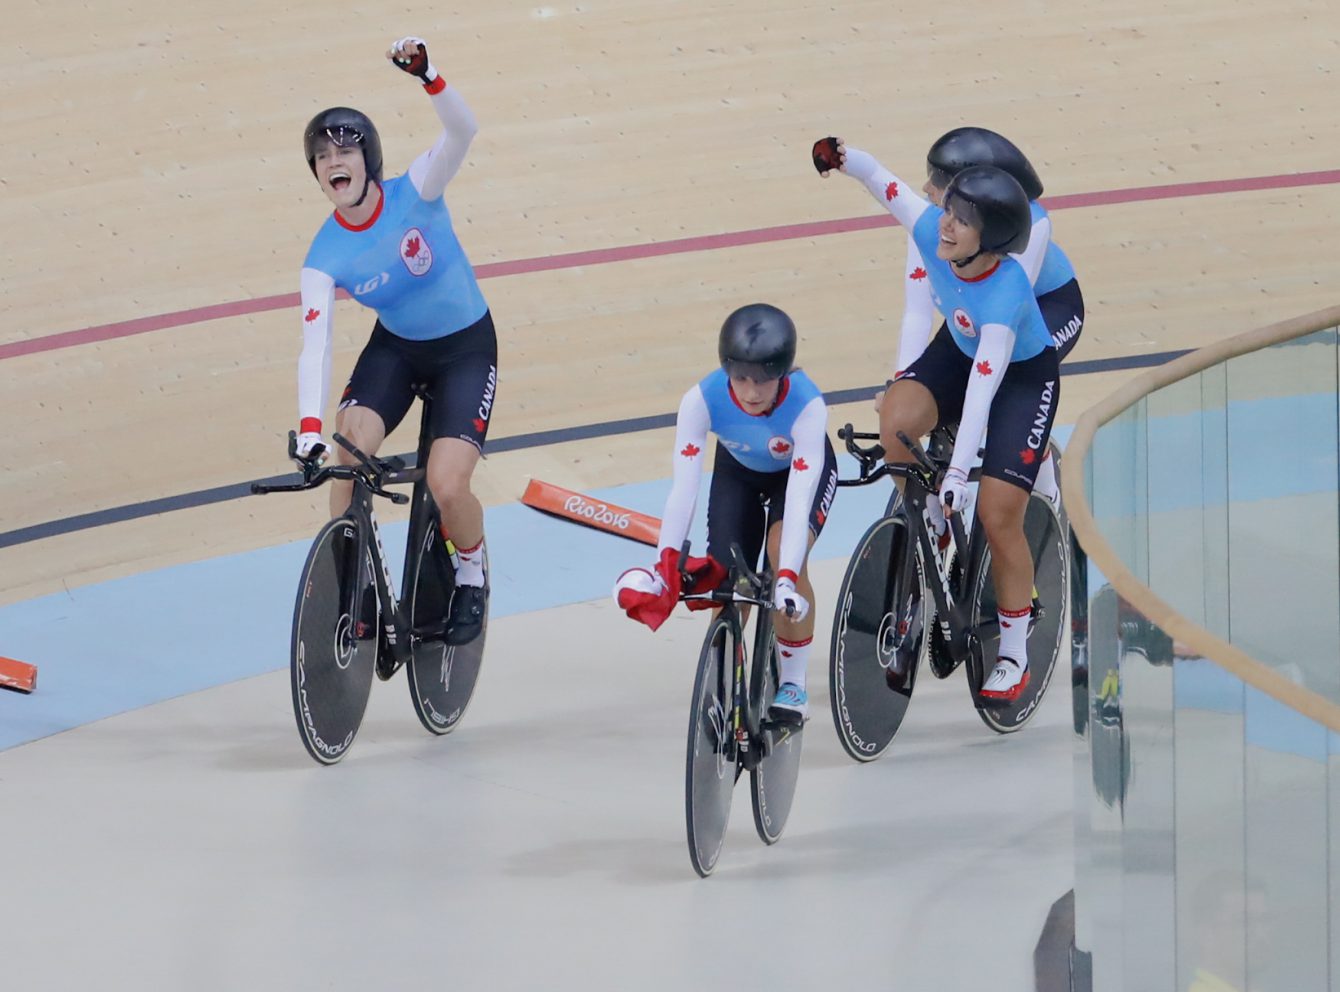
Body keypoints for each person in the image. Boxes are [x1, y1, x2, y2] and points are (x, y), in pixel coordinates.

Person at [815, 137, 1058, 702]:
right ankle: (930, 519)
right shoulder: (932, 230)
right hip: (960, 347)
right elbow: (885, 184)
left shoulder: (1005, 296)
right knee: (897, 418)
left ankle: (1015, 651)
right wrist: (842, 157)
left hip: (1020, 377)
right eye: (949, 212)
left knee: (999, 514)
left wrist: (955, 478)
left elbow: (981, 393)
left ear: (991, 240)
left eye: (961, 221)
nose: (945, 225)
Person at [292, 36, 495, 645]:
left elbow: (464, 131)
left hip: (465, 348)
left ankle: (471, 573)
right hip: (397, 349)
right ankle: (353, 583)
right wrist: (307, 428)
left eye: (343, 147)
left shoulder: (419, 190)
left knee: (447, 484)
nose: (333, 159)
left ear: (367, 158)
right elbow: (316, 345)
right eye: (321, 154)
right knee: (344, 455)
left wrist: (429, 74)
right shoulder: (322, 256)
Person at [613, 304, 838, 721]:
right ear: (726, 370)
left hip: (796, 477)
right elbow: (684, 488)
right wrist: (665, 566)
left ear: (783, 375)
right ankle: (725, 678)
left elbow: (803, 491)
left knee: (779, 552)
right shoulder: (701, 399)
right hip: (739, 472)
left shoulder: (808, 405)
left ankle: (793, 683)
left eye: (763, 381)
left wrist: (786, 576)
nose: (751, 392)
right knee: (727, 577)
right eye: (741, 379)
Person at [891, 126, 1084, 506]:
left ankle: (1046, 498)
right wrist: (901, 379)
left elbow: (1004, 317)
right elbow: (917, 311)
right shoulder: (934, 226)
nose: (927, 188)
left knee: (1009, 388)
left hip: (1044, 309)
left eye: (939, 182)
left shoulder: (1035, 223)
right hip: (978, 310)